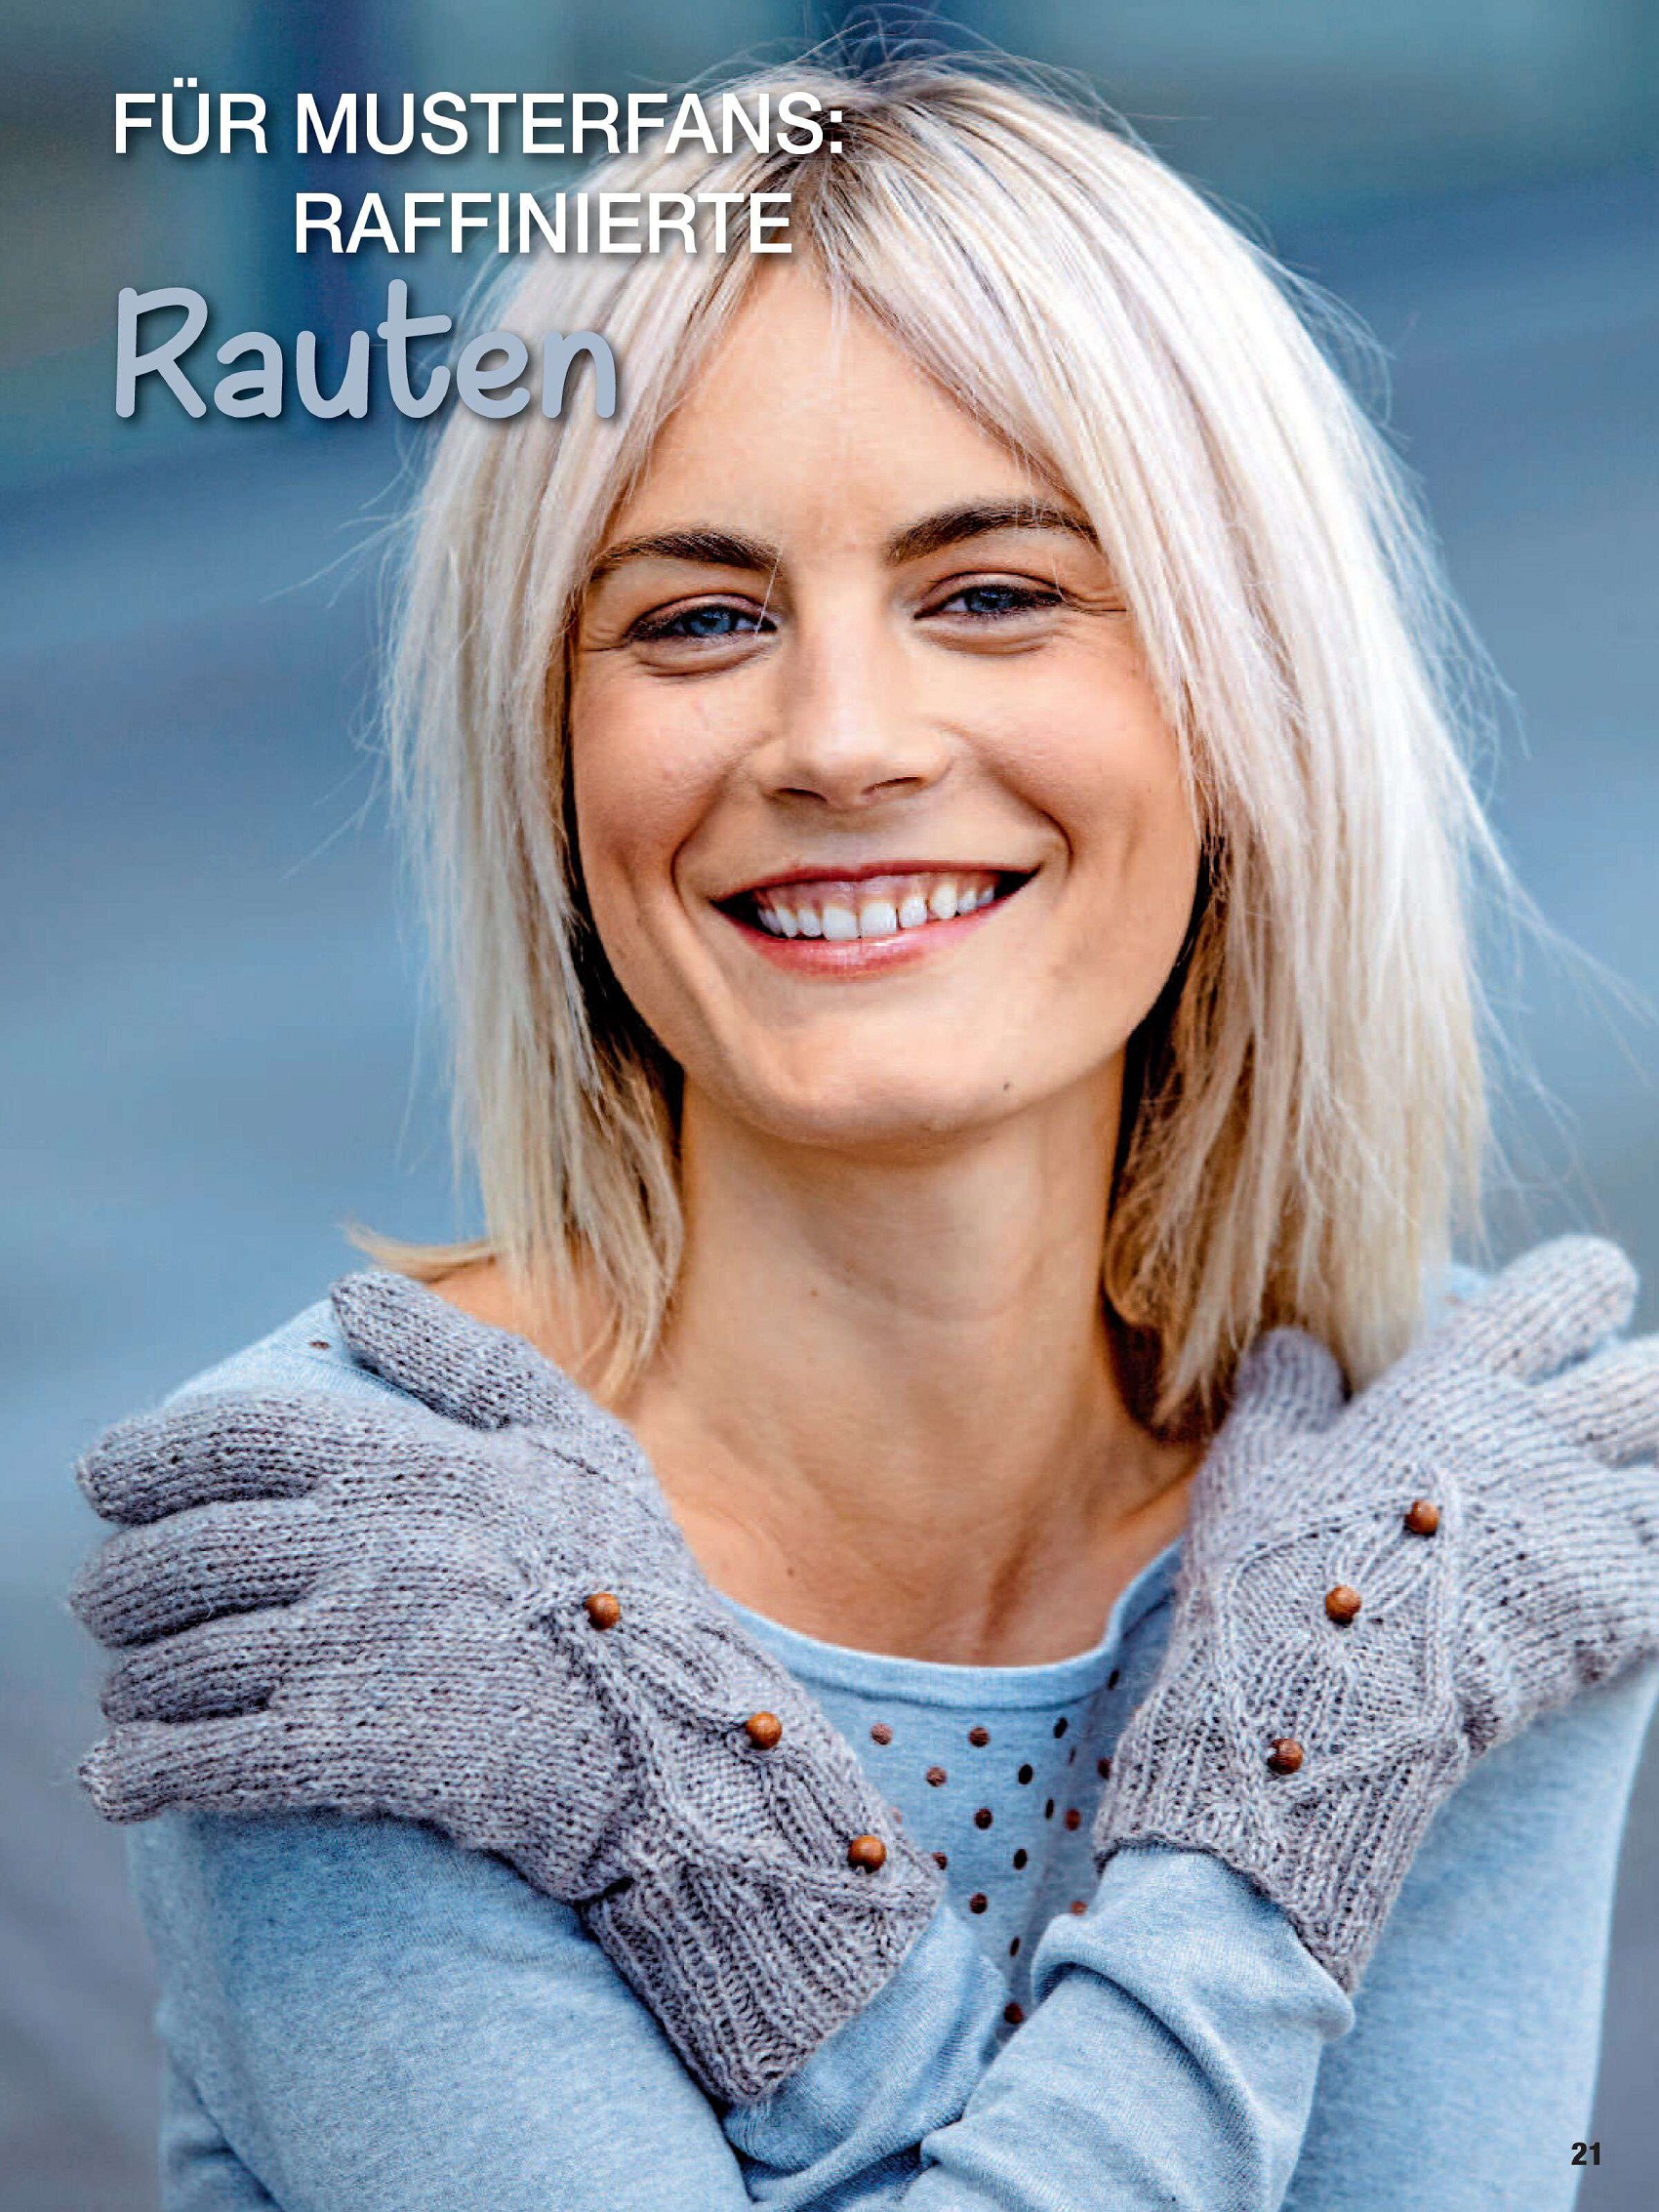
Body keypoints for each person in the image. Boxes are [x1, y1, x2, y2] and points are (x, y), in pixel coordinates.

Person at [68, 61, 1659, 2211]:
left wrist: (1320, 1704)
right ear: (547, 753)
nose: (838, 740)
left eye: (992, 591)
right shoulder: (364, 1568)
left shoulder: (1440, 1516)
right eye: (699, 619)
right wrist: (1289, 1799)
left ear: (1244, 696)